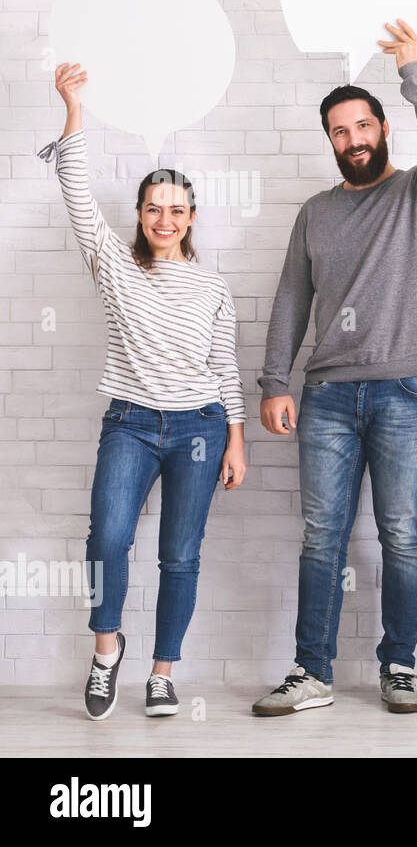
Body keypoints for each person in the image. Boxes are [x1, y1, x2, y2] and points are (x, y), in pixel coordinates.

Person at [251, 19, 417, 716]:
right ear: (331, 143)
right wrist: (274, 381)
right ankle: (311, 672)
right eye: (340, 132)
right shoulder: (315, 213)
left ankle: (398, 665)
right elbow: (292, 296)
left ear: (383, 127)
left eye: (362, 125)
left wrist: (413, 73)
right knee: (322, 534)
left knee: (401, 531)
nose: (353, 139)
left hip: (408, 390)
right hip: (327, 400)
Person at [42, 62, 247, 721]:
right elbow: (74, 189)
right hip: (129, 422)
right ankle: (107, 652)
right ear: (139, 214)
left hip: (200, 426)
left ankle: (162, 673)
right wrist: (74, 109)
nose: (165, 217)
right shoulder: (113, 262)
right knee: (107, 537)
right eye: (154, 207)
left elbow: (228, 367)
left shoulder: (213, 286)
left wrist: (235, 438)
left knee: (180, 554)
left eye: (177, 209)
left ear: (191, 217)